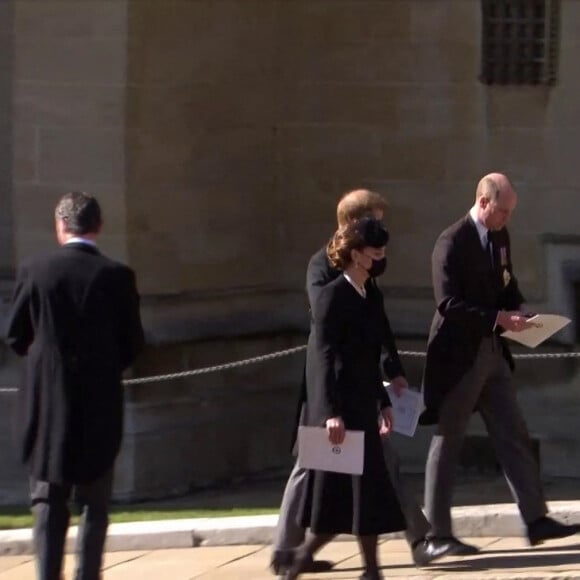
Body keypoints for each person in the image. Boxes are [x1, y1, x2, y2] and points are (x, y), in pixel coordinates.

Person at [271, 190, 447, 576]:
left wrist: (391, 376)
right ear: (356, 231)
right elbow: (326, 346)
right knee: (320, 477)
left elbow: (377, 332)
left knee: (367, 479)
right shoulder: (324, 272)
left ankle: (391, 555)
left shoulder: (366, 284)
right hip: (330, 395)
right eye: (376, 227)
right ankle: (291, 553)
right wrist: (330, 409)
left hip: (360, 395)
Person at [421, 173, 580, 555]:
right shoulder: (451, 241)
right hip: (460, 356)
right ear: (483, 201)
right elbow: (447, 304)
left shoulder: (499, 237)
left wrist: (520, 311)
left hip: (494, 353)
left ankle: (535, 518)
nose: (506, 218)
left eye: (510, 212)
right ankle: (437, 535)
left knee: (513, 432)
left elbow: (506, 285)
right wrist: (497, 319)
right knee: (448, 439)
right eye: (502, 211)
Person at [4, 192, 145, 580]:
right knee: (94, 503)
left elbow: (15, 335)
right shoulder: (117, 276)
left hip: (47, 404)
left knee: (48, 498)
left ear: (60, 225)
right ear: (98, 227)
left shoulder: (35, 270)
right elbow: (133, 344)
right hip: (99, 403)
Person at [285, 217, 405, 580]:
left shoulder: (371, 294)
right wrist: (330, 414)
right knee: (338, 498)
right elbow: (321, 358)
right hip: (340, 410)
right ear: (356, 255)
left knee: (364, 493)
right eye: (375, 253)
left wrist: (383, 402)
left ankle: (369, 571)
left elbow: (371, 353)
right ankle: (305, 559)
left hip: (362, 406)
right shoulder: (332, 296)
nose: (380, 259)